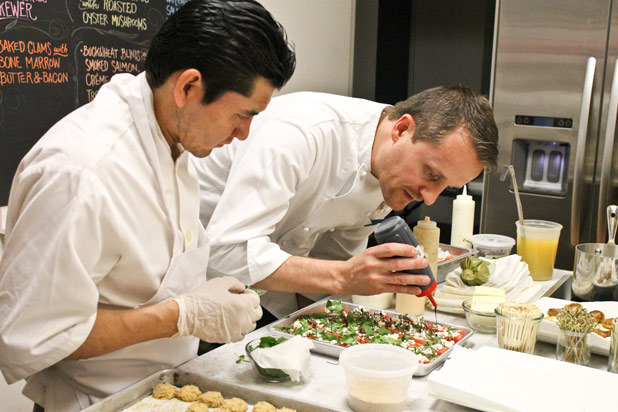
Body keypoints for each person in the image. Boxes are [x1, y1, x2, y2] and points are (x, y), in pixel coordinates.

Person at [0, 1, 295, 411]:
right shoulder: (82, 173)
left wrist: (204, 297)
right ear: (188, 87)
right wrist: (182, 315)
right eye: (241, 115)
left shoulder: (171, 134)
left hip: (159, 391)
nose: (244, 134)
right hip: (93, 401)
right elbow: (34, 335)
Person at [193, 85, 499, 320]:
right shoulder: (303, 132)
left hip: (257, 299)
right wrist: (344, 277)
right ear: (401, 129)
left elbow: (331, 267)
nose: (430, 198)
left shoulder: (392, 172)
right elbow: (226, 252)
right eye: (431, 174)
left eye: (446, 186)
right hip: (186, 283)